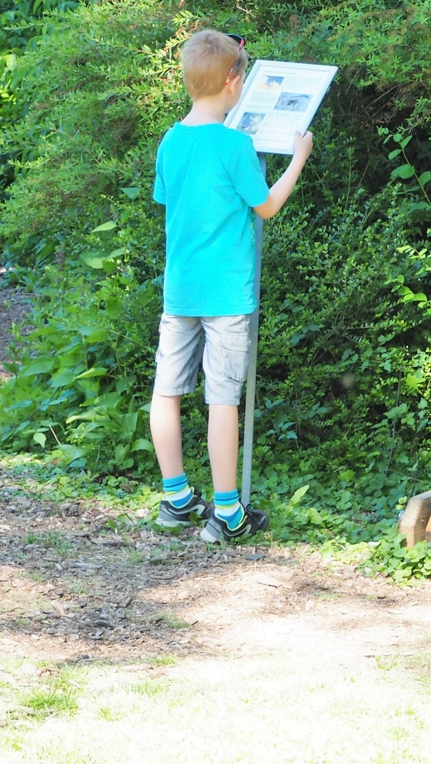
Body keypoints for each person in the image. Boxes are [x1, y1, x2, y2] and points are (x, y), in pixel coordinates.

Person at [149, 29, 313, 544]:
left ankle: (177, 500)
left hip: (180, 292)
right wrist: (298, 158)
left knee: (166, 392)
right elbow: (265, 205)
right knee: (223, 400)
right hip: (226, 296)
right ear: (232, 82)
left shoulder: (170, 141)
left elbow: (169, 202)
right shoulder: (236, 144)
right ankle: (228, 515)